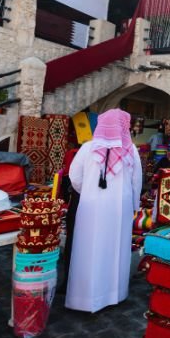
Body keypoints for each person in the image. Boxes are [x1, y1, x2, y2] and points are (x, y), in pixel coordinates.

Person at [65, 109, 142, 312]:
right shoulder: (131, 150)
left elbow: (74, 177)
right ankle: (113, 294)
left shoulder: (87, 148)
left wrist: (89, 193)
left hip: (90, 206)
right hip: (119, 208)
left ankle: (83, 297)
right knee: (115, 248)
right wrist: (134, 206)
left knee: (88, 248)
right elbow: (137, 182)